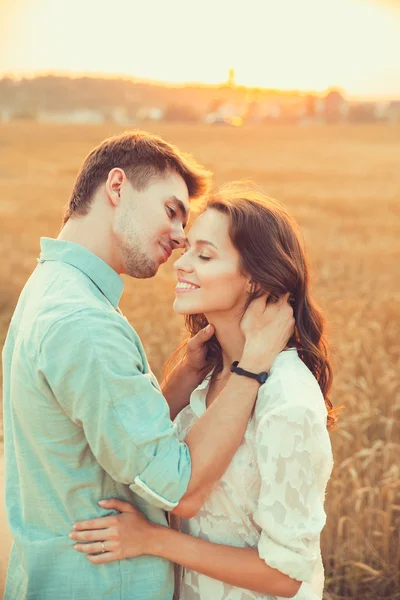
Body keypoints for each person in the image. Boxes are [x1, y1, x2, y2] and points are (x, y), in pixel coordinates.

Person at [2, 134, 294, 600]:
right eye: (172, 210)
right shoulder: (85, 323)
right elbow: (179, 490)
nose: (181, 237)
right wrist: (253, 364)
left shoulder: (52, 287)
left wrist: (177, 385)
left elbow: (101, 440)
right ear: (117, 187)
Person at [70, 185, 336, 600]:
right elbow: (149, 456)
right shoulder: (208, 374)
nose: (181, 264)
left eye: (205, 255)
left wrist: (152, 540)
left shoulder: (288, 399)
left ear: (256, 281)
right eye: (187, 249)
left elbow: (286, 576)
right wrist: (184, 377)